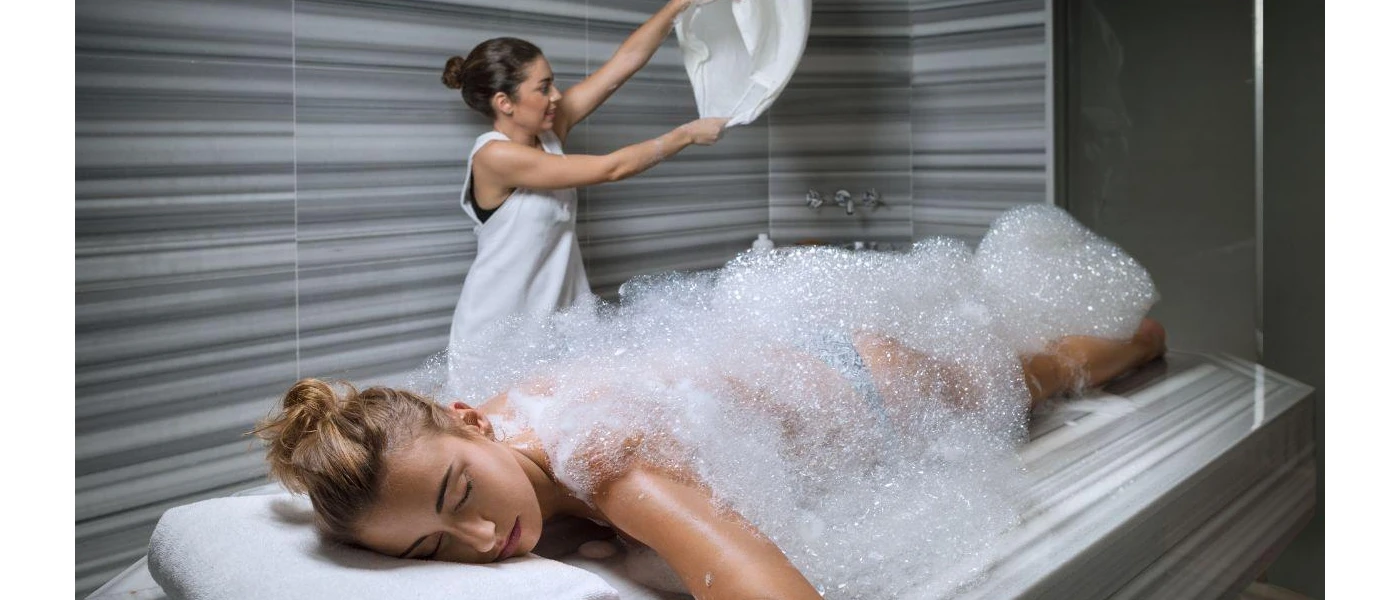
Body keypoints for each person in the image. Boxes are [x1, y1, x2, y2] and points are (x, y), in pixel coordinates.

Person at [254, 316, 1167, 599]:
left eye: (461, 495)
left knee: (1034, 377)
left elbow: (760, 586)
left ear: (471, 424)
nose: (483, 537)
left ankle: (1135, 340)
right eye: (430, 547)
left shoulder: (603, 451)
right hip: (776, 370)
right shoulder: (450, 441)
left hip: (869, 387)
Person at [441, 0, 730, 381]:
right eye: (543, 88)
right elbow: (611, 168)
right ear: (505, 102)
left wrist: (678, 5)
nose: (557, 96)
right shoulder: (495, 156)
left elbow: (624, 62)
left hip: (557, 325)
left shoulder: (548, 134)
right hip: (500, 332)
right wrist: (685, 135)